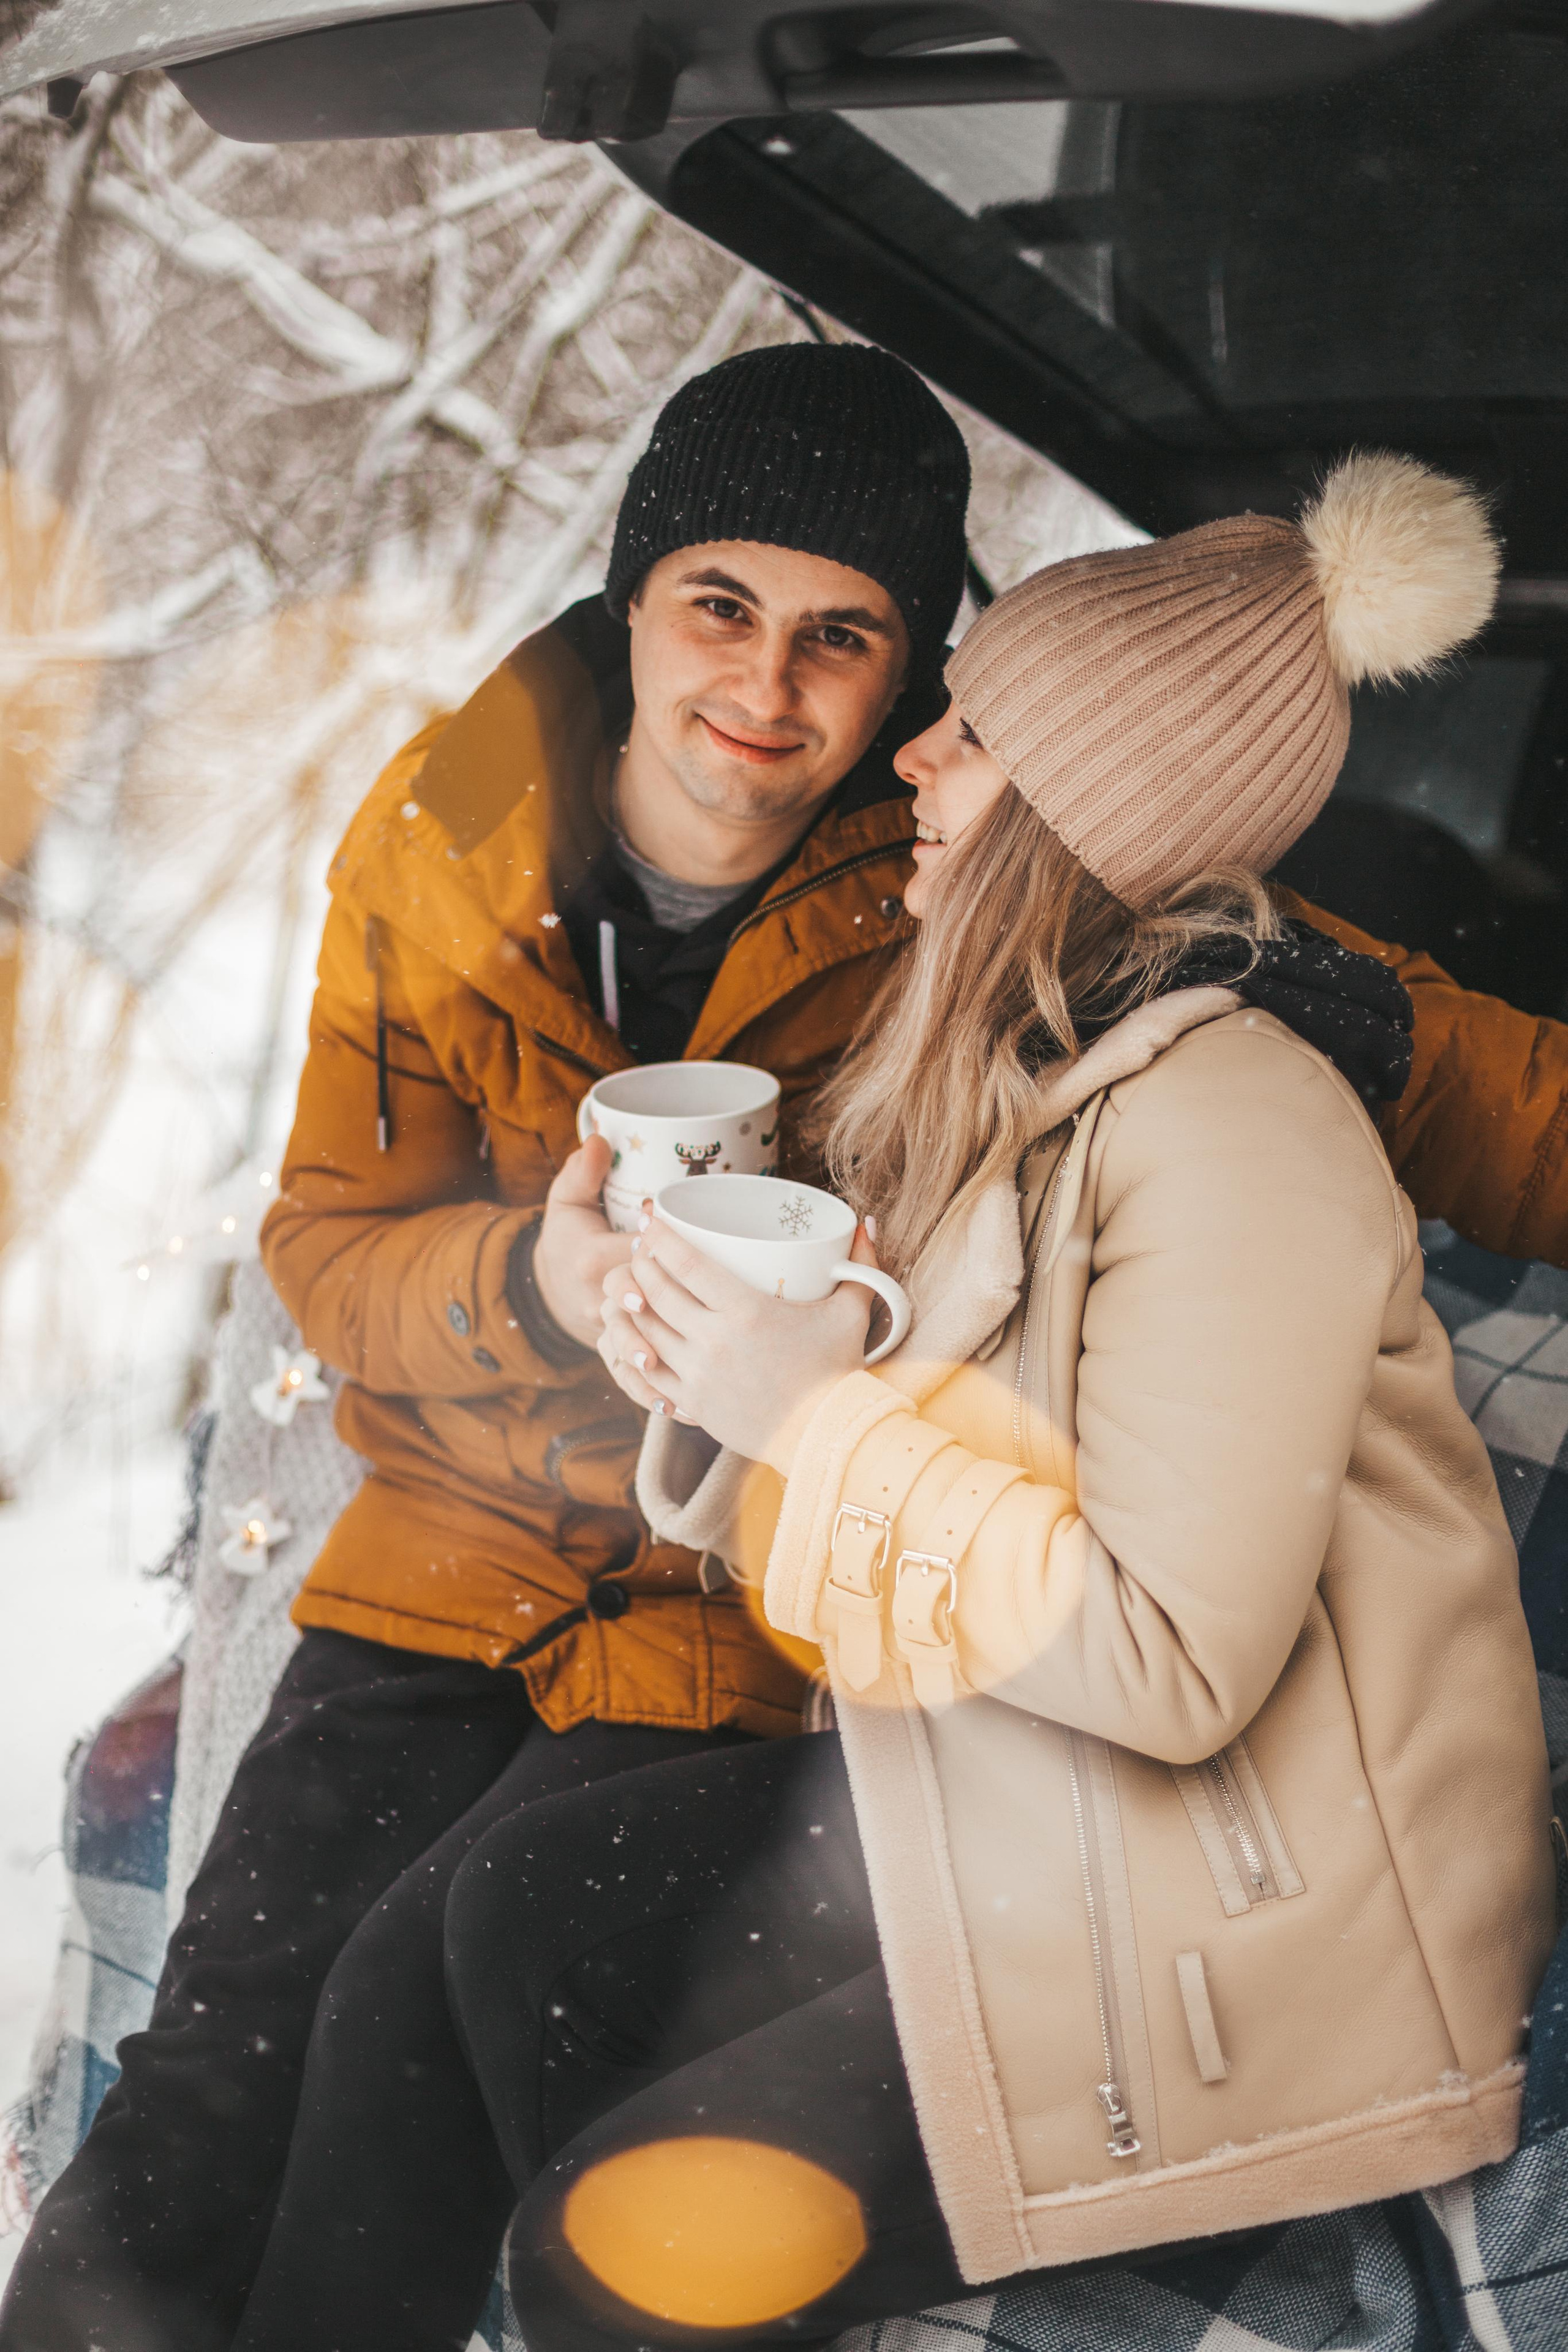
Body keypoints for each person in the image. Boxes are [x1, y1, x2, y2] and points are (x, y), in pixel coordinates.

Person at [2, 345, 1564, 2352]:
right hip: (471, 1545)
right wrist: (545, 1297)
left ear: (919, 676)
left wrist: (1340, 1002)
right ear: (631, 597)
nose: (772, 690)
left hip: (754, 1610)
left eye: (852, 641)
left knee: (451, 1981)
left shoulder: (1020, 944)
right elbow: (332, 1242)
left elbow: (1279, 977)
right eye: (719, 607)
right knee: (205, 2092)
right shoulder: (447, 833)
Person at [424, 451, 1553, 2349]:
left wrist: (807, 1416)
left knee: (598, 2257)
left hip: (1243, 1943)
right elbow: (930, 1473)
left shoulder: (1234, 1121)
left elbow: (1171, 1660)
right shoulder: (1042, 1082)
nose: (915, 766)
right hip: (1054, 1816)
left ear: (1089, 804)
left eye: (968, 733)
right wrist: (703, 1359)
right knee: (525, 1906)